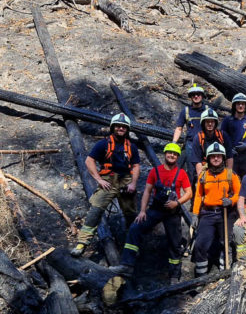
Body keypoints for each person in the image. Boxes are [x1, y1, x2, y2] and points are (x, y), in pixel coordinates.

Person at [112, 143, 192, 283]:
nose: (172, 155)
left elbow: (189, 193)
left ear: (178, 157)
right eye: (169, 153)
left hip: (172, 212)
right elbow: (147, 192)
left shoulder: (181, 173)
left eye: (174, 154)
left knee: (175, 242)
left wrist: (177, 203)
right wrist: (142, 211)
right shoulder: (155, 171)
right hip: (156, 209)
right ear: (165, 154)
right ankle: (127, 265)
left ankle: (174, 276)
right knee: (135, 228)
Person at [72, 113, 141, 257]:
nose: (121, 128)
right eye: (118, 126)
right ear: (113, 127)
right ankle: (82, 242)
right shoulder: (103, 144)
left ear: (127, 129)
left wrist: (133, 183)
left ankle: (132, 244)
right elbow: (89, 161)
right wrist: (99, 179)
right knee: (95, 210)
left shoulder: (132, 147)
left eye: (123, 127)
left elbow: (135, 166)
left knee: (131, 213)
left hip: (126, 180)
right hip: (108, 180)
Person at [190, 142, 240, 277]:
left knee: (226, 242)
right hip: (207, 213)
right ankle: (200, 277)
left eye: (219, 156)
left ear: (223, 158)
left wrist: (231, 201)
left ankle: (225, 273)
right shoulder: (204, 175)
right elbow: (198, 195)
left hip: (226, 213)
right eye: (213, 156)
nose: (216, 159)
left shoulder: (231, 175)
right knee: (201, 243)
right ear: (208, 158)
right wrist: (195, 214)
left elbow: (239, 194)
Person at [172, 84, 209, 186]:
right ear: (190, 97)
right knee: (191, 172)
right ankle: (192, 197)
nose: (196, 96)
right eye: (193, 95)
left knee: (207, 170)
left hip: (205, 145)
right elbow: (179, 128)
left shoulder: (208, 110)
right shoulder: (186, 111)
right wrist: (174, 143)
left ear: (202, 96)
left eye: (198, 94)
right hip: (190, 145)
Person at [191, 108, 234, 177]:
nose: (210, 124)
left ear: (215, 123)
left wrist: (229, 174)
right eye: (207, 122)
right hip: (205, 168)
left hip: (221, 167)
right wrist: (200, 177)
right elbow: (197, 160)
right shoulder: (198, 138)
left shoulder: (223, 136)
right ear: (203, 123)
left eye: (212, 122)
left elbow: (229, 156)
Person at [221, 93, 246, 177]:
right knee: (232, 178)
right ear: (234, 105)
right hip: (232, 156)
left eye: (243, 104)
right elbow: (221, 136)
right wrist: (228, 149)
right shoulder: (228, 120)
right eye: (238, 103)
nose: (241, 106)